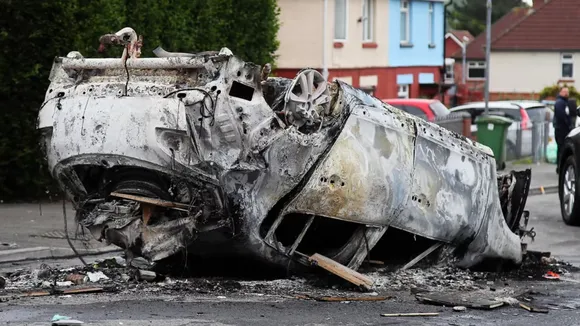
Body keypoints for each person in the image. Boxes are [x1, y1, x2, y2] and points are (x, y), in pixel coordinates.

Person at [554, 87, 573, 173]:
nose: (566, 93)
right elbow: (561, 116)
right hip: (561, 130)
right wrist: (568, 125)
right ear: (560, 92)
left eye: (567, 92)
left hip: (564, 129)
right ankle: (560, 167)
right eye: (564, 92)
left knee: (562, 148)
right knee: (561, 148)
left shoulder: (565, 103)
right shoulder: (560, 103)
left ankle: (561, 167)